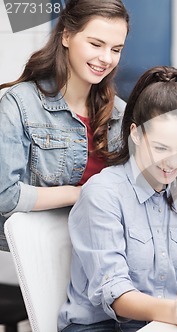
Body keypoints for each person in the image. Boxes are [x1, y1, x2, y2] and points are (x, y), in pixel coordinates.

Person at [57, 66, 177, 331]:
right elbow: (114, 293)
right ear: (136, 133)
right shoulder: (103, 194)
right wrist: (171, 310)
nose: (173, 162)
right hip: (101, 327)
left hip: (160, 324)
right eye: (161, 148)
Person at [0, 0, 130, 252]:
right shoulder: (20, 103)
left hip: (96, 257)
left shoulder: (120, 114)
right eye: (95, 44)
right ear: (67, 35)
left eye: (116, 49)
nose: (106, 58)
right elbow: (5, 195)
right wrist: (79, 194)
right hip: (33, 258)